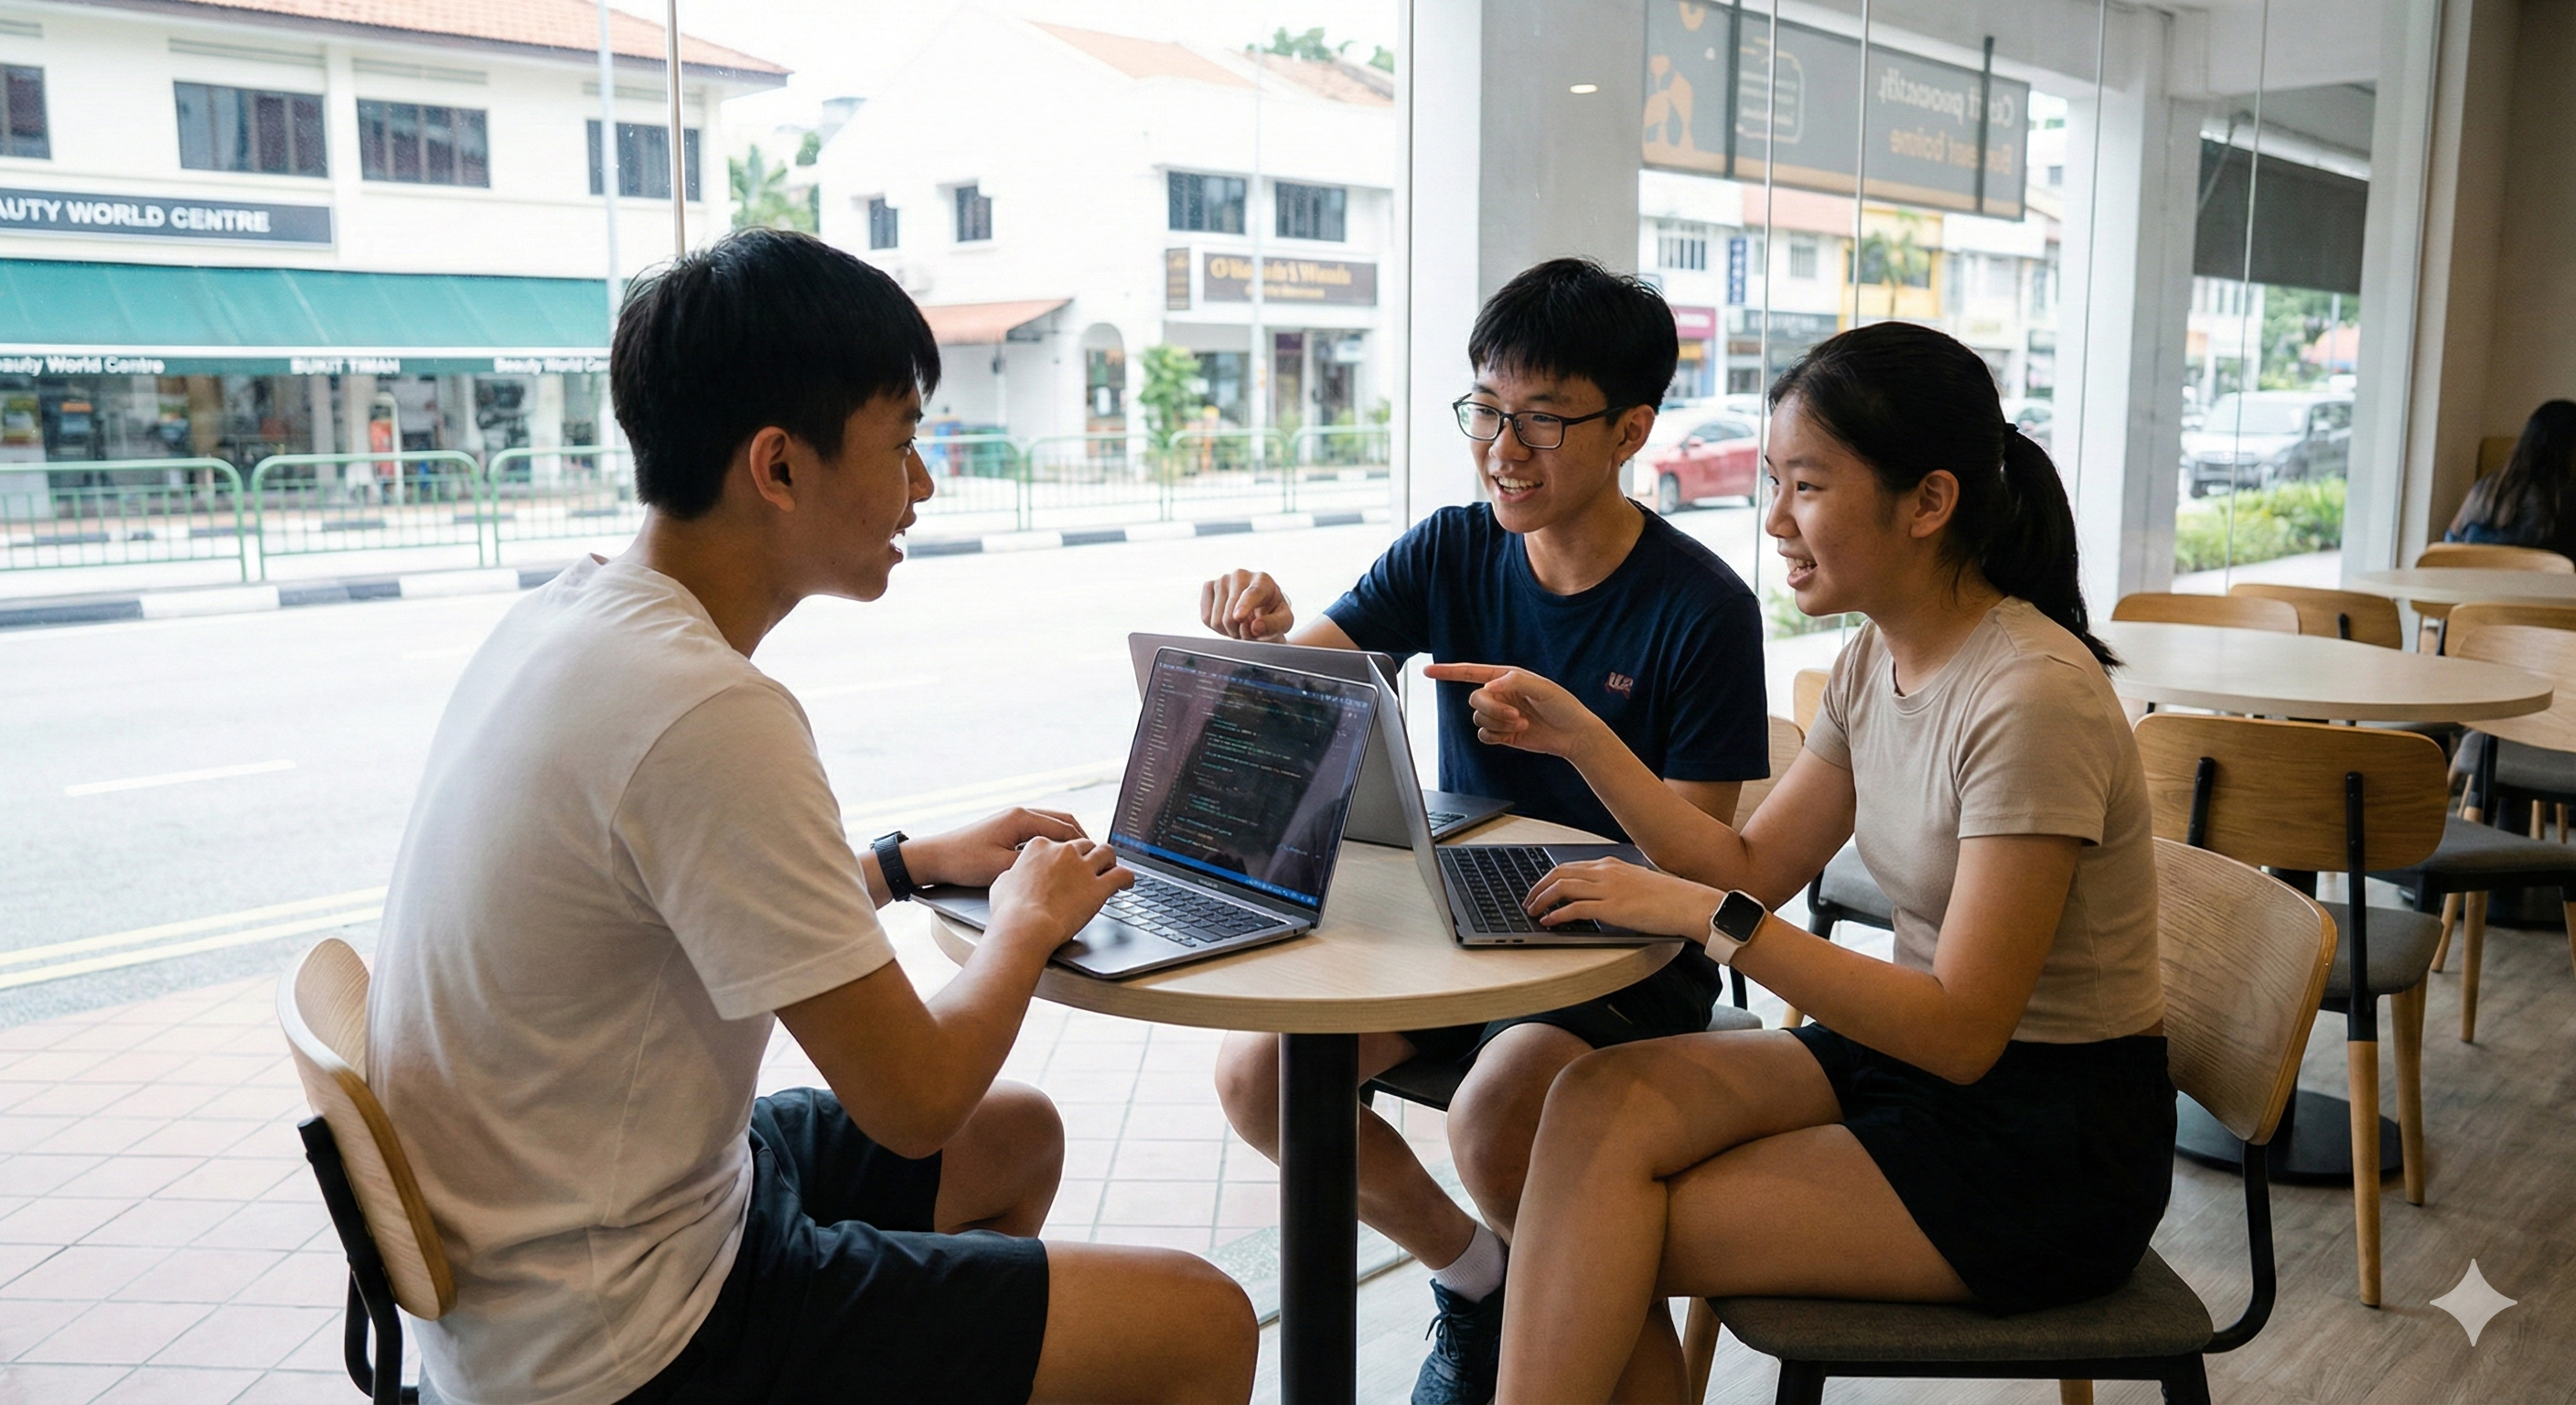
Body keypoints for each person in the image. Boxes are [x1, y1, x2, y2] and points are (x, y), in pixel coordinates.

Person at [369, 229, 1255, 1405]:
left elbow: (675, 898)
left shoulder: (574, 621)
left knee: (1019, 1134)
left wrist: (898, 866)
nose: (924, 485)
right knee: (1202, 1323)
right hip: (630, 1335)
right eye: (902, 445)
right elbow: (913, 1101)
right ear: (779, 468)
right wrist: (1023, 926)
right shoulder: (704, 711)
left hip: (568, 1246)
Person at [1437, 321, 2171, 1404]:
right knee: (1576, 1111)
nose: (1773, 519)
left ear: (1927, 502)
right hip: (1907, 1066)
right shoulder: (1877, 651)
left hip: (2040, 1142)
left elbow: (1963, 1031)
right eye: (1774, 482)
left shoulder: (2031, 697)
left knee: (1591, 1217)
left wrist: (1705, 919)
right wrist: (1584, 736)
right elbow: (1748, 859)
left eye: (1807, 487)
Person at [1197, 258, 1772, 1405]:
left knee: (1497, 1107)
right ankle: (1477, 1277)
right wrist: (1256, 636)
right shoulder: (1451, 549)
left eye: (1543, 421)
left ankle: (1578, 1334)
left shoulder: (1701, 608)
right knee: (1260, 1078)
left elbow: (1695, 865)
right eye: (1486, 412)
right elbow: (1293, 689)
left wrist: (1576, 747)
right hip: (1458, 928)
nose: (1502, 448)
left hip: (1620, 955)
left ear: (1629, 430)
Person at [2445, 399, 2576, 561]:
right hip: (2541, 584)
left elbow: (2449, 543)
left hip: (2471, 582)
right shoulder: (2564, 498)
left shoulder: (2487, 487)